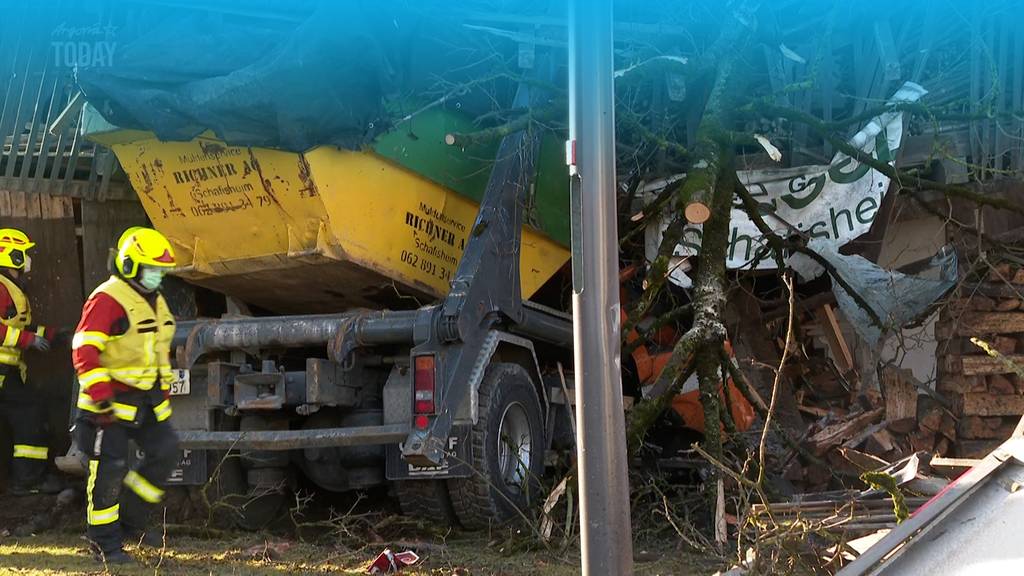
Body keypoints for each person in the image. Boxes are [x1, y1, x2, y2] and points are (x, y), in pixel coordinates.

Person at [72, 227, 179, 564]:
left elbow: (158, 351)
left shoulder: (155, 299)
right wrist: (102, 399)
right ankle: (104, 543)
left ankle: (131, 521)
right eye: (152, 270)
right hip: (106, 408)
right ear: (130, 265)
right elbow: (84, 352)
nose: (157, 277)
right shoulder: (107, 299)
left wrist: (163, 395)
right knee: (109, 471)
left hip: (146, 404)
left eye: (161, 271)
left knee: (166, 452)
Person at [0, 228, 62, 495]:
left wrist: (54, 336)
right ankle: (29, 479)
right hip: (4, 372)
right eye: (24, 253)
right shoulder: (2, 287)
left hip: (8, 372)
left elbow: (21, 327)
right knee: (30, 415)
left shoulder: (11, 288)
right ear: (12, 255)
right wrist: (28, 341)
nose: (27, 258)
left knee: (28, 413)